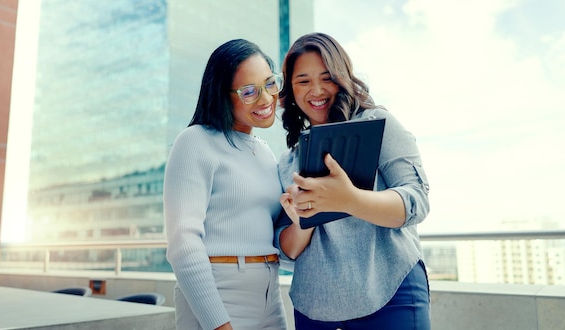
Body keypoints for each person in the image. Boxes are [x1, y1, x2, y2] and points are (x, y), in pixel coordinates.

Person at [275, 32, 432, 329]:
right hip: (315, 308)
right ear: (292, 90)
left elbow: (417, 202)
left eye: (327, 77)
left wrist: (349, 199)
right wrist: (303, 219)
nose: (317, 90)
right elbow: (288, 250)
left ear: (342, 77)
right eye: (303, 81)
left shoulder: (378, 123)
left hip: (391, 293)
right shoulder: (287, 162)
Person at [164, 39, 288, 330]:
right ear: (222, 95)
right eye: (249, 92)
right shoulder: (196, 141)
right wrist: (218, 323)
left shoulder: (264, 151)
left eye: (270, 83)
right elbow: (183, 242)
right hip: (221, 293)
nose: (266, 99)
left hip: (270, 293)